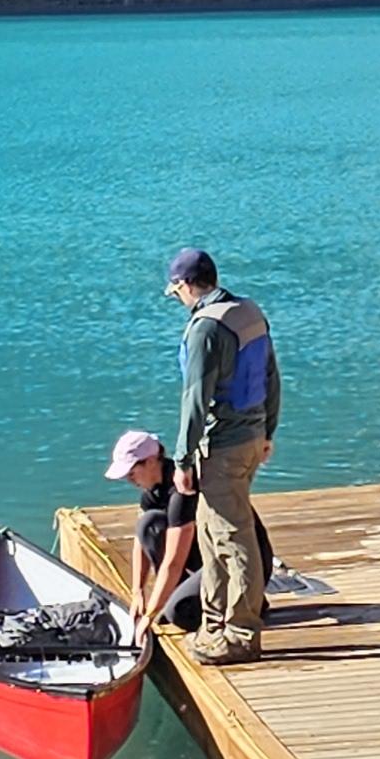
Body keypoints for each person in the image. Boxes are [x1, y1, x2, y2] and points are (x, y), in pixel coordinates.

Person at [166, 247, 281, 664]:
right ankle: (213, 624)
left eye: (176, 289)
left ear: (186, 285)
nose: (177, 297)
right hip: (251, 437)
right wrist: (268, 429)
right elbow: (271, 374)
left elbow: (195, 399)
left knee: (234, 539)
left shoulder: (204, 329)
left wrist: (181, 460)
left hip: (224, 447)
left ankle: (242, 634)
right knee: (211, 535)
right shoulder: (248, 312)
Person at [105, 427, 275, 631]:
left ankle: (247, 600)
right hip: (208, 553)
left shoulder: (183, 489)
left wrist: (149, 617)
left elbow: (174, 562)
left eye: (132, 474)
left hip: (241, 560)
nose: (130, 481)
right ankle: (187, 593)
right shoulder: (153, 488)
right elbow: (140, 540)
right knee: (148, 524)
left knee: (179, 613)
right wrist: (137, 592)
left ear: (151, 461)